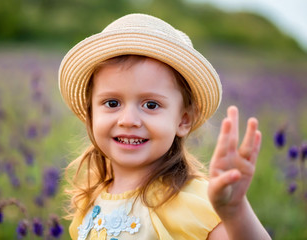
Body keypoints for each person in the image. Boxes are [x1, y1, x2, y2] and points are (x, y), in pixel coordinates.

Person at [58, 13, 271, 240]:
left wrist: (236, 212)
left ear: (183, 120)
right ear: (91, 114)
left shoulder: (191, 202)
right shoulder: (88, 204)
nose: (128, 120)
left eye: (151, 105)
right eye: (112, 103)